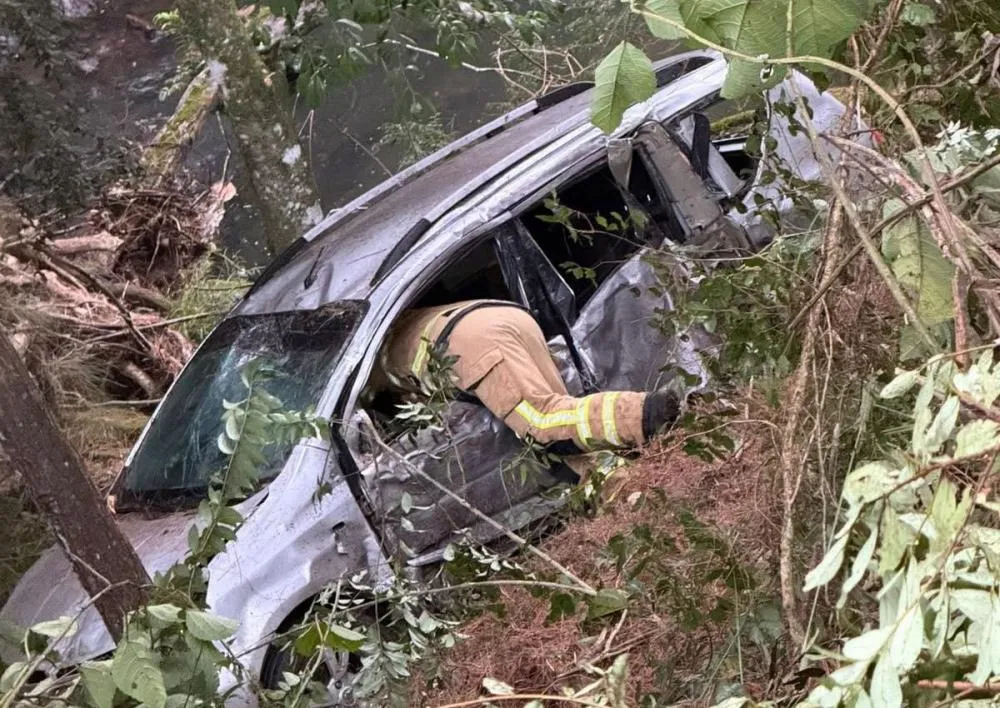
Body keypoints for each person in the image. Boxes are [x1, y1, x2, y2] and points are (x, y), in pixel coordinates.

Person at [370, 299, 680, 455]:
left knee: (542, 423)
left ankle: (646, 414)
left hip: (470, 344)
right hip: (505, 317)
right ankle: (612, 488)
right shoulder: (385, 323)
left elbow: (412, 411)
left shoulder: (368, 369)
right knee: (564, 418)